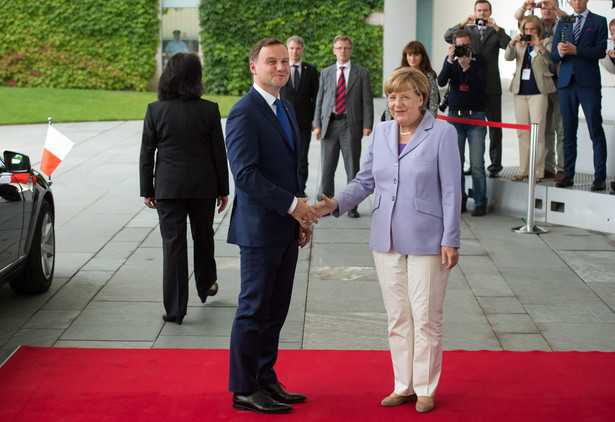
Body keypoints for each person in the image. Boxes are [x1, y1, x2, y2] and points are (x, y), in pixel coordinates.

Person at [314, 67, 461, 414]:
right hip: (386, 237)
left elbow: (453, 190)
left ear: (421, 99)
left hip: (429, 238)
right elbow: (365, 180)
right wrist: (335, 203)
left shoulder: (443, 133)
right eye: (392, 96)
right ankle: (403, 385)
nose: (396, 103)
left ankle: (425, 388)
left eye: (405, 96)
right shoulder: (380, 132)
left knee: (425, 316)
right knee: (398, 316)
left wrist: (451, 238)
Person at [225, 38, 320, 414]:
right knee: (253, 308)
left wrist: (300, 215)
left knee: (276, 308)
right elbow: (245, 175)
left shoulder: (286, 107)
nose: (280, 67)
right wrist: (291, 205)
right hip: (260, 229)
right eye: (271, 62)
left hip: (285, 225)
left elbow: (292, 169)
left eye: (284, 61)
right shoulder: (244, 112)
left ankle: (265, 378)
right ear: (254, 67)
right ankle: (244, 388)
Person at [139, 52, 229, 325]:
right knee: (203, 237)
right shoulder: (209, 109)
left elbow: (147, 154)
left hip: (168, 189)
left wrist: (147, 190)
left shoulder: (155, 110)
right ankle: (206, 284)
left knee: (173, 247)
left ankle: (176, 309)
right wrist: (223, 189)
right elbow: (218, 153)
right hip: (203, 187)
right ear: (196, 77)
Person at [444, 0, 511, 179]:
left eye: (485, 11)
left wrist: (496, 27)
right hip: (471, 86)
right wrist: (464, 22)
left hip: (491, 86)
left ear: (490, 12)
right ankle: (471, 164)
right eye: (479, 11)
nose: (482, 14)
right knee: (469, 128)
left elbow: (509, 44)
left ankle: (495, 165)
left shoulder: (495, 31)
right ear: (474, 12)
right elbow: (447, 35)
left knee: (495, 126)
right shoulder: (468, 31)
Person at [313, 35, 374, 218]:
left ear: (351, 50)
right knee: (327, 168)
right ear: (334, 50)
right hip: (329, 124)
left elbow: (367, 101)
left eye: (346, 48)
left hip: (351, 124)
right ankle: (325, 204)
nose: (343, 51)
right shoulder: (326, 72)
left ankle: (351, 206)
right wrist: (317, 124)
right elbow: (320, 99)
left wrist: (367, 124)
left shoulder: (361, 73)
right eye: (339, 48)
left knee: (352, 168)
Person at [551, 0, 608, 191]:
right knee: (568, 132)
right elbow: (553, 56)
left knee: (595, 130)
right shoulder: (564, 22)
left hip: (588, 83)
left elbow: (600, 51)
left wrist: (576, 50)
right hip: (566, 83)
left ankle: (599, 176)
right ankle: (568, 175)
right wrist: (559, 52)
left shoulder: (599, 21)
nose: (577, 2)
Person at [438, 29, 489, 216]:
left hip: (476, 116)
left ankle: (481, 202)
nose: (463, 49)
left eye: (466, 45)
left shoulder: (480, 60)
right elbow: (441, 81)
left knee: (476, 163)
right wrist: (450, 60)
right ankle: (459, 201)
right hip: (454, 117)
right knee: (455, 163)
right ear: (453, 45)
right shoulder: (450, 59)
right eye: (460, 46)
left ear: (471, 44)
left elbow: (482, 85)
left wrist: (467, 66)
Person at [514, 0, 566, 181]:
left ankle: (561, 167)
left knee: (560, 128)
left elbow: (553, 55)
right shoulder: (533, 25)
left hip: (559, 82)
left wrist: (555, 8)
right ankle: (547, 167)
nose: (546, 9)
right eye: (543, 5)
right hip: (537, 85)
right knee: (544, 129)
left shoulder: (562, 23)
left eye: (550, 6)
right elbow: (519, 18)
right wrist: (526, 6)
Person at [505, 15, 556, 182]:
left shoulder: (546, 41)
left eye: (532, 29)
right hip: (520, 91)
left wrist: (538, 45)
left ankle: (538, 172)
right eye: (526, 29)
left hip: (538, 91)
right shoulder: (520, 44)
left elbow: (551, 60)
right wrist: (512, 43)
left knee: (538, 133)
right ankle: (523, 170)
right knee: (522, 133)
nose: (529, 32)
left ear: (538, 29)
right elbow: (508, 57)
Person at [280, 35, 319, 190]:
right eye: (291, 48)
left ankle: (300, 189)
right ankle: (287, 187)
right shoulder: (281, 69)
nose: (294, 52)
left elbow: (316, 96)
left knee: (302, 158)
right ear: (287, 50)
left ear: (302, 50)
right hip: (283, 120)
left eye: (297, 49)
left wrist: (315, 119)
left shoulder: (311, 70)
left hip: (303, 121)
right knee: (284, 156)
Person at [382, 41, 439, 120]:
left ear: (422, 56)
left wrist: (431, 124)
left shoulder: (429, 76)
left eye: (416, 55)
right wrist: (388, 123)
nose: (412, 58)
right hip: (399, 118)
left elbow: (433, 103)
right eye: (410, 55)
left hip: (421, 121)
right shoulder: (398, 75)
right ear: (405, 56)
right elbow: (390, 99)